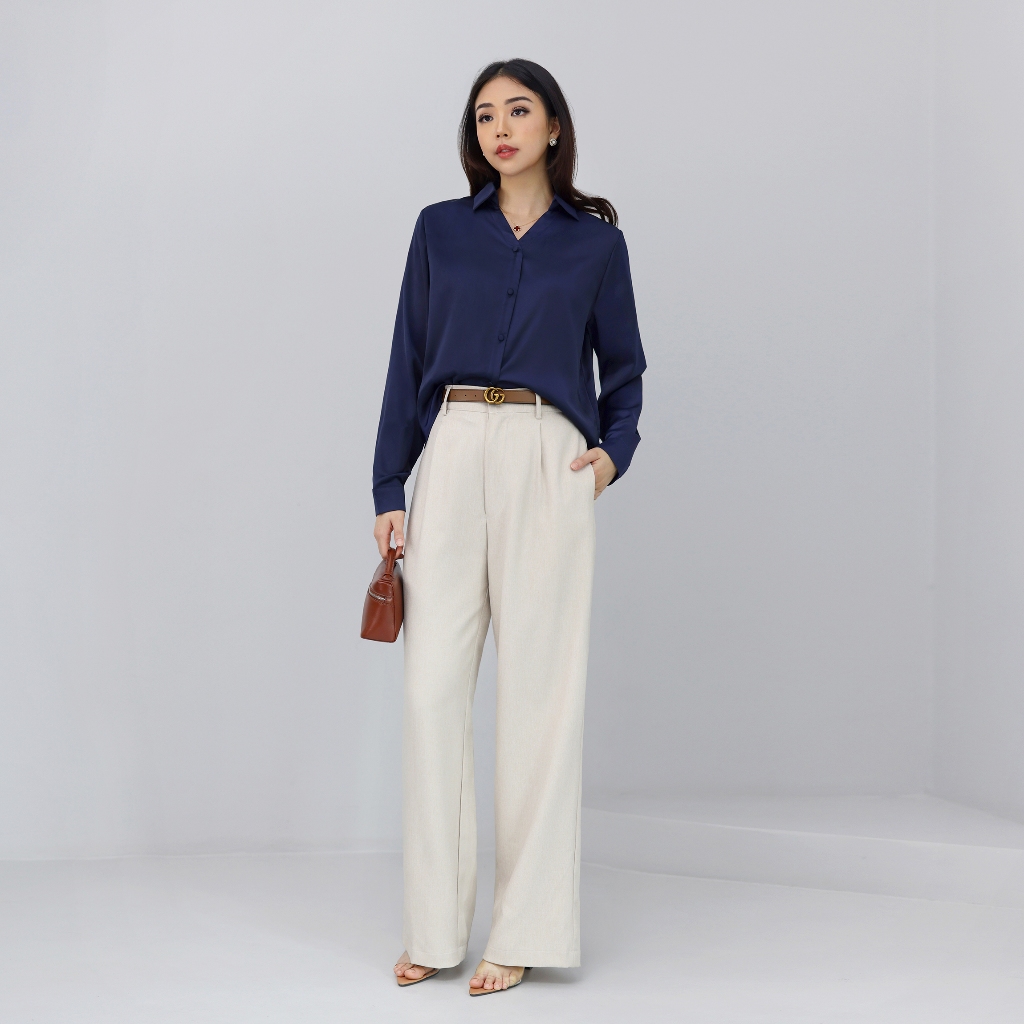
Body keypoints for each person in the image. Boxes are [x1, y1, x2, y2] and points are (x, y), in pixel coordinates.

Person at [371, 58, 646, 996]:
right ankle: (434, 926)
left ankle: (522, 928)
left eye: (518, 110)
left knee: (540, 698)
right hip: (451, 447)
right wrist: (389, 485)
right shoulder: (440, 230)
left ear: (554, 127)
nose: (500, 127)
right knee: (431, 694)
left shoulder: (596, 245)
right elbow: (407, 356)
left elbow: (626, 369)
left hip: (546, 454)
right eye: (485, 114)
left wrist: (611, 454)